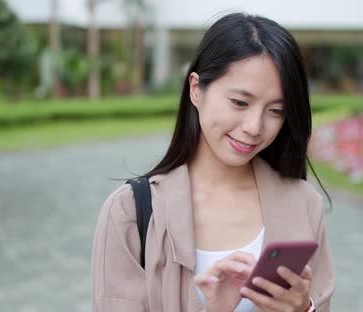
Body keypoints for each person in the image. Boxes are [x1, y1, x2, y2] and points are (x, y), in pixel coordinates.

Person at [91, 12, 335, 312]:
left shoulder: (303, 204)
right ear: (196, 88)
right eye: (240, 103)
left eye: (275, 111)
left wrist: (302, 309)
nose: (254, 127)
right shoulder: (131, 212)